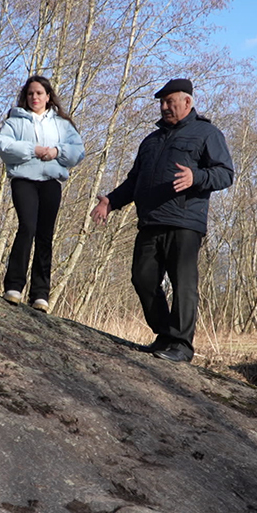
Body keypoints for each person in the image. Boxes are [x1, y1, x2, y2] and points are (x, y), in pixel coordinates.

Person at [91, 78, 233, 362]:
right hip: (150, 221)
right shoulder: (150, 141)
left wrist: (197, 177)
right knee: (142, 278)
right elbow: (135, 182)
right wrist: (111, 201)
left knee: (183, 284)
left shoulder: (207, 133)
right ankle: (166, 334)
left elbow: (225, 173)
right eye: (162, 103)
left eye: (170, 102)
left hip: (184, 221)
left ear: (187, 103)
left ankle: (181, 345)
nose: (165, 107)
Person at [0, 75, 85, 312]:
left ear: (48, 96)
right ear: (26, 97)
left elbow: (78, 151)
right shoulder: (15, 121)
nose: (35, 97)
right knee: (27, 226)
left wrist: (57, 152)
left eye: (39, 93)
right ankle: (13, 287)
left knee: (45, 234)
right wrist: (31, 149)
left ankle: (40, 294)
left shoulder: (62, 124)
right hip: (24, 179)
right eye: (30, 93)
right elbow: (3, 146)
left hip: (50, 182)